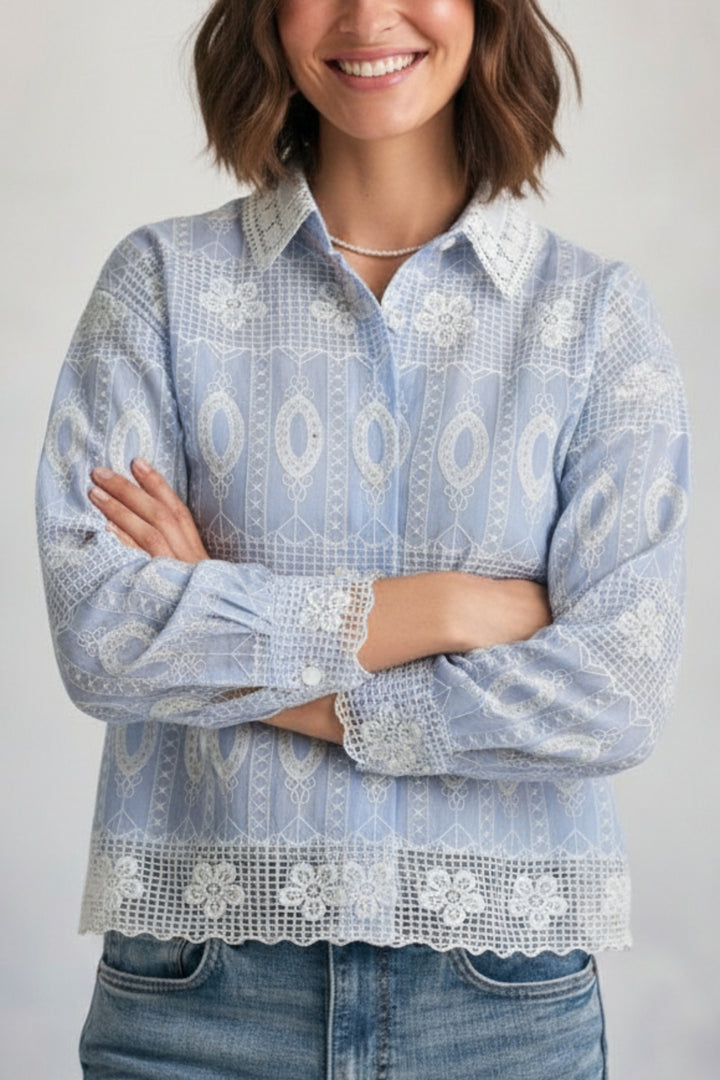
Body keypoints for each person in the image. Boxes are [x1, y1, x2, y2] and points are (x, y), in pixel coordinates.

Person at [36, 1, 690, 1077]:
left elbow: (612, 697)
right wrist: (445, 606)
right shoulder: (160, 287)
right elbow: (107, 635)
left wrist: (228, 621)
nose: (366, 15)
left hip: (500, 1008)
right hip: (198, 999)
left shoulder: (594, 320)